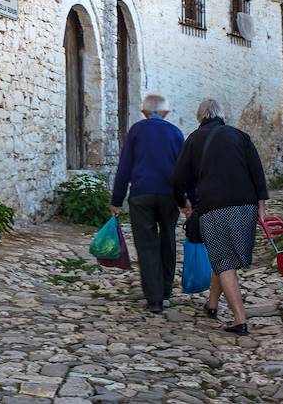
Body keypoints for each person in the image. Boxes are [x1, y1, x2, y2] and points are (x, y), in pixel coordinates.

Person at [172, 98, 268, 335]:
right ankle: (212, 304)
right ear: (221, 115)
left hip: (214, 207)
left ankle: (239, 318)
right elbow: (257, 171)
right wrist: (261, 206)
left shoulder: (194, 140)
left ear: (200, 117)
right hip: (245, 206)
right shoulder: (239, 135)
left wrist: (183, 203)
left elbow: (176, 179)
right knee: (220, 253)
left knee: (223, 259)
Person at [109, 93, 186, 314]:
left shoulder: (136, 131)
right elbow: (183, 168)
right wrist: (187, 199)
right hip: (169, 195)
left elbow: (124, 167)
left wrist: (116, 200)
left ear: (144, 112)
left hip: (141, 195)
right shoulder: (174, 132)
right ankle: (166, 288)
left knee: (146, 244)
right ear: (166, 113)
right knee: (168, 238)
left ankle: (154, 299)